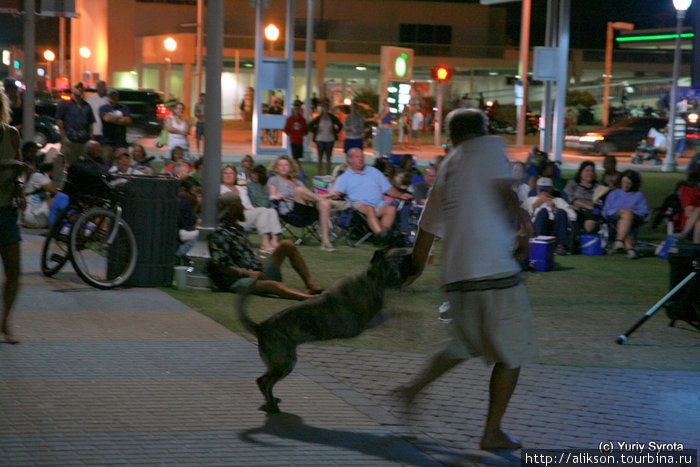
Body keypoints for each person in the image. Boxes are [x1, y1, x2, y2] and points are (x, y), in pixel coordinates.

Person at [396, 108, 537, 451]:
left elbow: (427, 226)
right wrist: (525, 228)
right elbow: (506, 191)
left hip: (457, 274)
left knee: (464, 343)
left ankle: (412, 389)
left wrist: (414, 270)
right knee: (512, 352)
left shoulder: (448, 166)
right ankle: (491, 432)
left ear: (452, 135)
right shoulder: (489, 147)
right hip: (493, 268)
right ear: (483, 129)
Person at [207, 191, 324, 301]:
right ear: (233, 208)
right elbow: (221, 266)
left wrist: (259, 261)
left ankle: (311, 285)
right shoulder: (220, 234)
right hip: (236, 280)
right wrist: (247, 273)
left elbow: (244, 255)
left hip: (255, 270)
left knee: (287, 244)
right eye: (240, 204)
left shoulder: (238, 229)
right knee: (273, 286)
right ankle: (310, 298)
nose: (243, 208)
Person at [1, 87, 30, 344]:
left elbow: (19, 171)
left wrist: (19, 186)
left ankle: (5, 322)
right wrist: (7, 166)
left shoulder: (11, 135)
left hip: (6, 211)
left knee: (14, 272)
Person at [331, 147, 412, 238]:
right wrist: (333, 194)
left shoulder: (373, 171)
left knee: (391, 208)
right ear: (350, 160)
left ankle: (384, 234)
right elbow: (336, 193)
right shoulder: (344, 177)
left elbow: (388, 189)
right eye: (357, 157)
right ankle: (380, 236)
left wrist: (400, 195)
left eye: (362, 156)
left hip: (379, 204)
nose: (361, 159)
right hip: (359, 206)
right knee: (369, 208)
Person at [267, 155, 338, 252]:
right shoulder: (274, 180)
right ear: (276, 168)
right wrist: (282, 195)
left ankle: (325, 241)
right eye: (280, 165)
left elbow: (309, 197)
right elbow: (272, 196)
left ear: (290, 167)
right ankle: (329, 200)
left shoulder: (297, 182)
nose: (283, 167)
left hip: (304, 211)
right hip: (290, 211)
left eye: (286, 165)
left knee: (323, 204)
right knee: (300, 190)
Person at [221, 164, 281, 254]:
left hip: (249, 215)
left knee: (271, 211)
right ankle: (265, 244)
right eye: (226, 173)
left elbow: (250, 205)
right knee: (262, 210)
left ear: (235, 176)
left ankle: (274, 240)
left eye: (231, 173)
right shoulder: (220, 188)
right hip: (235, 218)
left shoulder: (241, 189)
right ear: (222, 175)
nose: (228, 175)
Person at [522, 177, 577, 255]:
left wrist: (555, 208)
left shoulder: (559, 200)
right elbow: (521, 215)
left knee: (561, 212)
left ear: (551, 190)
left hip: (556, 226)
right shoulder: (530, 200)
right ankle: (539, 244)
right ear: (537, 190)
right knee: (543, 212)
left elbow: (573, 216)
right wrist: (534, 206)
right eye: (541, 190)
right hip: (538, 225)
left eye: (546, 190)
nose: (544, 193)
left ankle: (560, 246)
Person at [603, 170, 648, 259]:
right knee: (625, 220)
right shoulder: (614, 193)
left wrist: (629, 213)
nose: (625, 185)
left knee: (627, 216)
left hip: (634, 218)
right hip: (615, 216)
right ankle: (629, 249)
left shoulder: (638, 195)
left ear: (633, 184)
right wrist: (618, 211)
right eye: (624, 182)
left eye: (629, 183)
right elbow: (607, 209)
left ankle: (619, 241)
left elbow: (643, 211)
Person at [55, 82, 95, 165]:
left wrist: (90, 137)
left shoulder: (86, 105)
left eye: (81, 88)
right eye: (77, 87)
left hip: (83, 142)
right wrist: (64, 136)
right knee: (68, 165)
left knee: (82, 165)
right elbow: (59, 120)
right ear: (72, 89)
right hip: (70, 141)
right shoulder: (65, 103)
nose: (80, 90)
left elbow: (90, 122)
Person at [564, 161, 600, 233]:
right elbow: (570, 198)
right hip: (576, 209)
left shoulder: (597, 186)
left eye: (592, 171)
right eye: (587, 171)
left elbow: (599, 200)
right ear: (581, 172)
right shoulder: (572, 183)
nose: (590, 173)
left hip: (591, 212)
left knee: (591, 221)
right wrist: (588, 206)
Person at [308, 100, 342, 175]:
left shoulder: (332, 117)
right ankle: (319, 174)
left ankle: (328, 175)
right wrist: (316, 130)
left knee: (328, 158)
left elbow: (340, 125)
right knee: (320, 158)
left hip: (330, 139)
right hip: (320, 139)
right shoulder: (319, 118)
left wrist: (335, 131)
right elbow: (310, 125)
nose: (325, 109)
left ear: (328, 108)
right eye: (324, 107)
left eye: (327, 107)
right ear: (322, 108)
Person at [99, 89, 132, 163]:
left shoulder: (124, 108)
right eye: (111, 96)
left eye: (115, 95)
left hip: (121, 143)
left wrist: (112, 118)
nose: (113, 97)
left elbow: (128, 120)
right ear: (108, 97)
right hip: (107, 143)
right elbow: (106, 119)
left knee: (123, 164)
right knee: (106, 165)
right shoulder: (103, 108)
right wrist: (120, 119)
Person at [23, 161, 58, 228]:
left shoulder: (46, 177)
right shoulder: (38, 176)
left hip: (36, 216)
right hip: (32, 216)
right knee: (57, 197)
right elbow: (56, 191)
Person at [673, 171, 700, 243]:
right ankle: (695, 248)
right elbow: (688, 212)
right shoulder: (687, 192)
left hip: (691, 223)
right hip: (689, 225)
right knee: (698, 211)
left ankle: (684, 234)